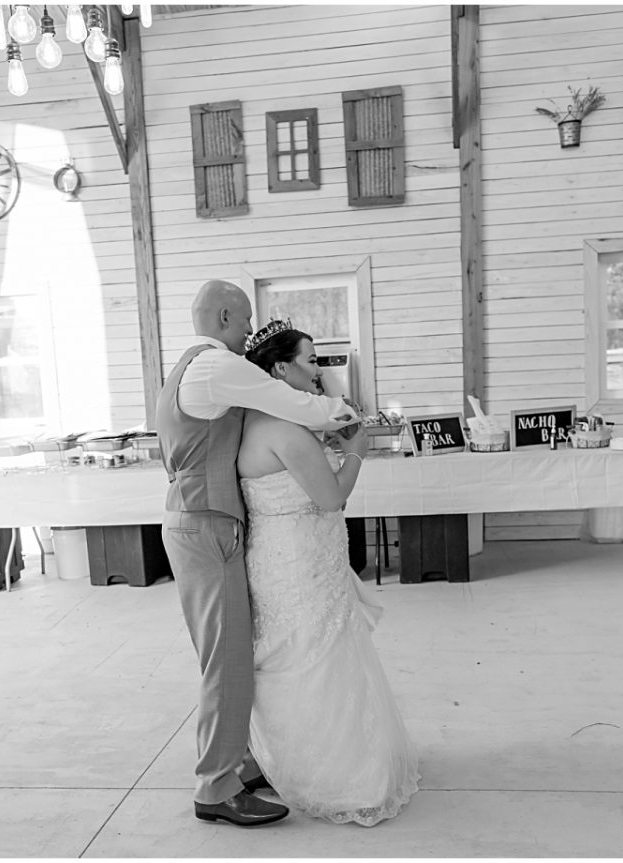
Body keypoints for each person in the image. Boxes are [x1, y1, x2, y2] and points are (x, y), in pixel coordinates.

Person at [151, 280, 356, 828]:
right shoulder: (218, 365)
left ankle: (237, 764)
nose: (249, 333)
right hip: (206, 523)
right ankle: (216, 787)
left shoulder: (190, 367)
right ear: (223, 316)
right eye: (244, 321)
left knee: (229, 652)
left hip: (196, 519)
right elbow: (292, 402)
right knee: (227, 659)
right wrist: (347, 415)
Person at [237, 322, 418, 825]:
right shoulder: (285, 429)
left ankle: (292, 759)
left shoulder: (256, 420)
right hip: (300, 564)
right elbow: (331, 497)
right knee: (318, 656)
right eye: (311, 360)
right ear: (280, 368)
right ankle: (338, 775)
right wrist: (357, 446)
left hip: (286, 556)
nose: (318, 371)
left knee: (297, 655)